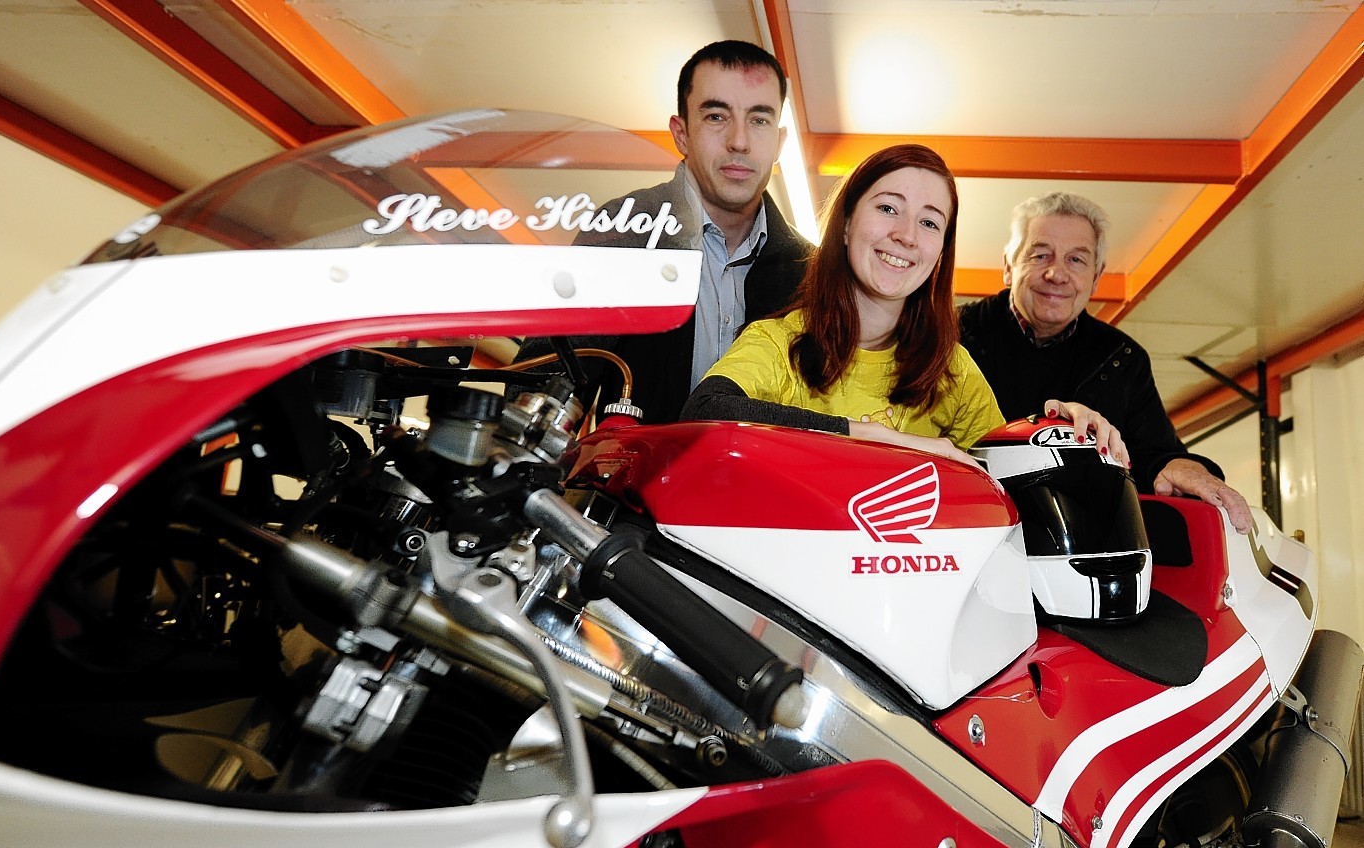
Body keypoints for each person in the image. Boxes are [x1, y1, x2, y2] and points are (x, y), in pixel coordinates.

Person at [681, 144, 1123, 470]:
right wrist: (877, 439)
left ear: (940, 252)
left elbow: (1007, 475)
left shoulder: (952, 370)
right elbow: (707, 411)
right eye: (889, 208)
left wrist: (1064, 435)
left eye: (930, 222)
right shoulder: (777, 344)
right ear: (848, 224)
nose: (907, 235)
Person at [513, 39, 814, 424]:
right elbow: (541, 385)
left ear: (779, 141)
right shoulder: (624, 229)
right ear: (681, 132)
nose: (739, 141)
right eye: (716, 116)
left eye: (759, 119)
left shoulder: (811, 270)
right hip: (631, 480)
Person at [959, 191, 1252, 533]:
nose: (1057, 274)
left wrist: (1188, 471)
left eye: (1076, 260)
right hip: (974, 534)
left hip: (1081, 544)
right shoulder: (953, 337)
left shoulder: (1122, 359)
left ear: (1096, 278)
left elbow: (1154, 452)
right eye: (1040, 255)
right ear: (1009, 267)